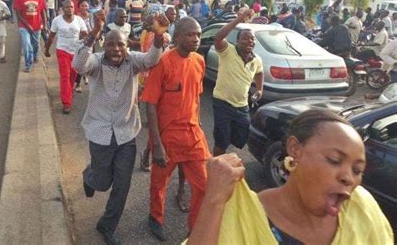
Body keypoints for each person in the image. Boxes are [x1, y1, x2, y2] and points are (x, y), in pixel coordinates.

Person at [187, 110, 393, 244]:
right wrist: (214, 199)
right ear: (295, 149)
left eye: (357, 170)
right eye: (334, 160)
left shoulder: (362, 208)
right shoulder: (244, 218)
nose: (349, 178)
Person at [72, 10, 169, 245]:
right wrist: (94, 33)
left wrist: (158, 36)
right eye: (111, 45)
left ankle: (107, 225)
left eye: (121, 45)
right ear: (104, 46)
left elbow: (152, 59)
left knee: (122, 186)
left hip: (126, 134)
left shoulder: (133, 61)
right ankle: (90, 175)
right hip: (100, 133)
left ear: (127, 46)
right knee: (103, 182)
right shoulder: (95, 62)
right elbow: (78, 65)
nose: (116, 49)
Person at [142, 17, 211, 240]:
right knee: (159, 184)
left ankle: (196, 226)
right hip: (167, 137)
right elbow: (150, 103)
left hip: (192, 135)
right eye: (191, 34)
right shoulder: (163, 62)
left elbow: (196, 96)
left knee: (203, 185)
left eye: (198, 35)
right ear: (178, 36)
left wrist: (198, 122)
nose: (196, 39)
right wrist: (157, 145)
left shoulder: (199, 61)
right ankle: (155, 218)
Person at [211, 16, 264, 157]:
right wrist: (239, 19)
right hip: (222, 103)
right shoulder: (228, 51)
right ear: (237, 41)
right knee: (221, 141)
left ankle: (226, 152)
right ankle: (216, 167)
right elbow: (218, 37)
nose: (249, 41)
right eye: (245, 38)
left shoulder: (256, 60)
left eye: (252, 39)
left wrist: (259, 89)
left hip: (242, 106)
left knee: (241, 138)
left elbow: (259, 73)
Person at [44, 1, 87, 114]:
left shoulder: (79, 20)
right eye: (67, 7)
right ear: (62, 9)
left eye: (72, 7)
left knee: (72, 76)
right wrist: (47, 50)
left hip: (75, 52)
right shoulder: (57, 20)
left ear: (74, 8)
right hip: (62, 51)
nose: (70, 9)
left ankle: (68, 92)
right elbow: (51, 36)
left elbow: (85, 35)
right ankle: (66, 103)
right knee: (65, 76)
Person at [13, 0, 47, 72]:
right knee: (26, 44)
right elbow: (18, 15)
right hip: (24, 26)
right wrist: (27, 26)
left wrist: (45, 24)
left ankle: (35, 55)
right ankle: (28, 64)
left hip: (37, 25)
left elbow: (43, 11)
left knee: (35, 44)